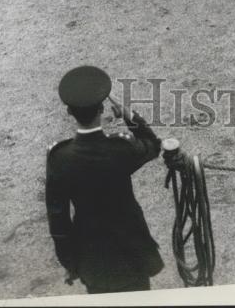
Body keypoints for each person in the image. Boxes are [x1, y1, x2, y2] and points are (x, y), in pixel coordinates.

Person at [45, 65, 164, 295]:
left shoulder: (59, 158)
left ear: (69, 112)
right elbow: (153, 145)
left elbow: (58, 221)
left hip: (93, 263)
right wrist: (128, 114)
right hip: (132, 256)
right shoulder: (121, 148)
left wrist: (71, 263)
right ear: (102, 108)